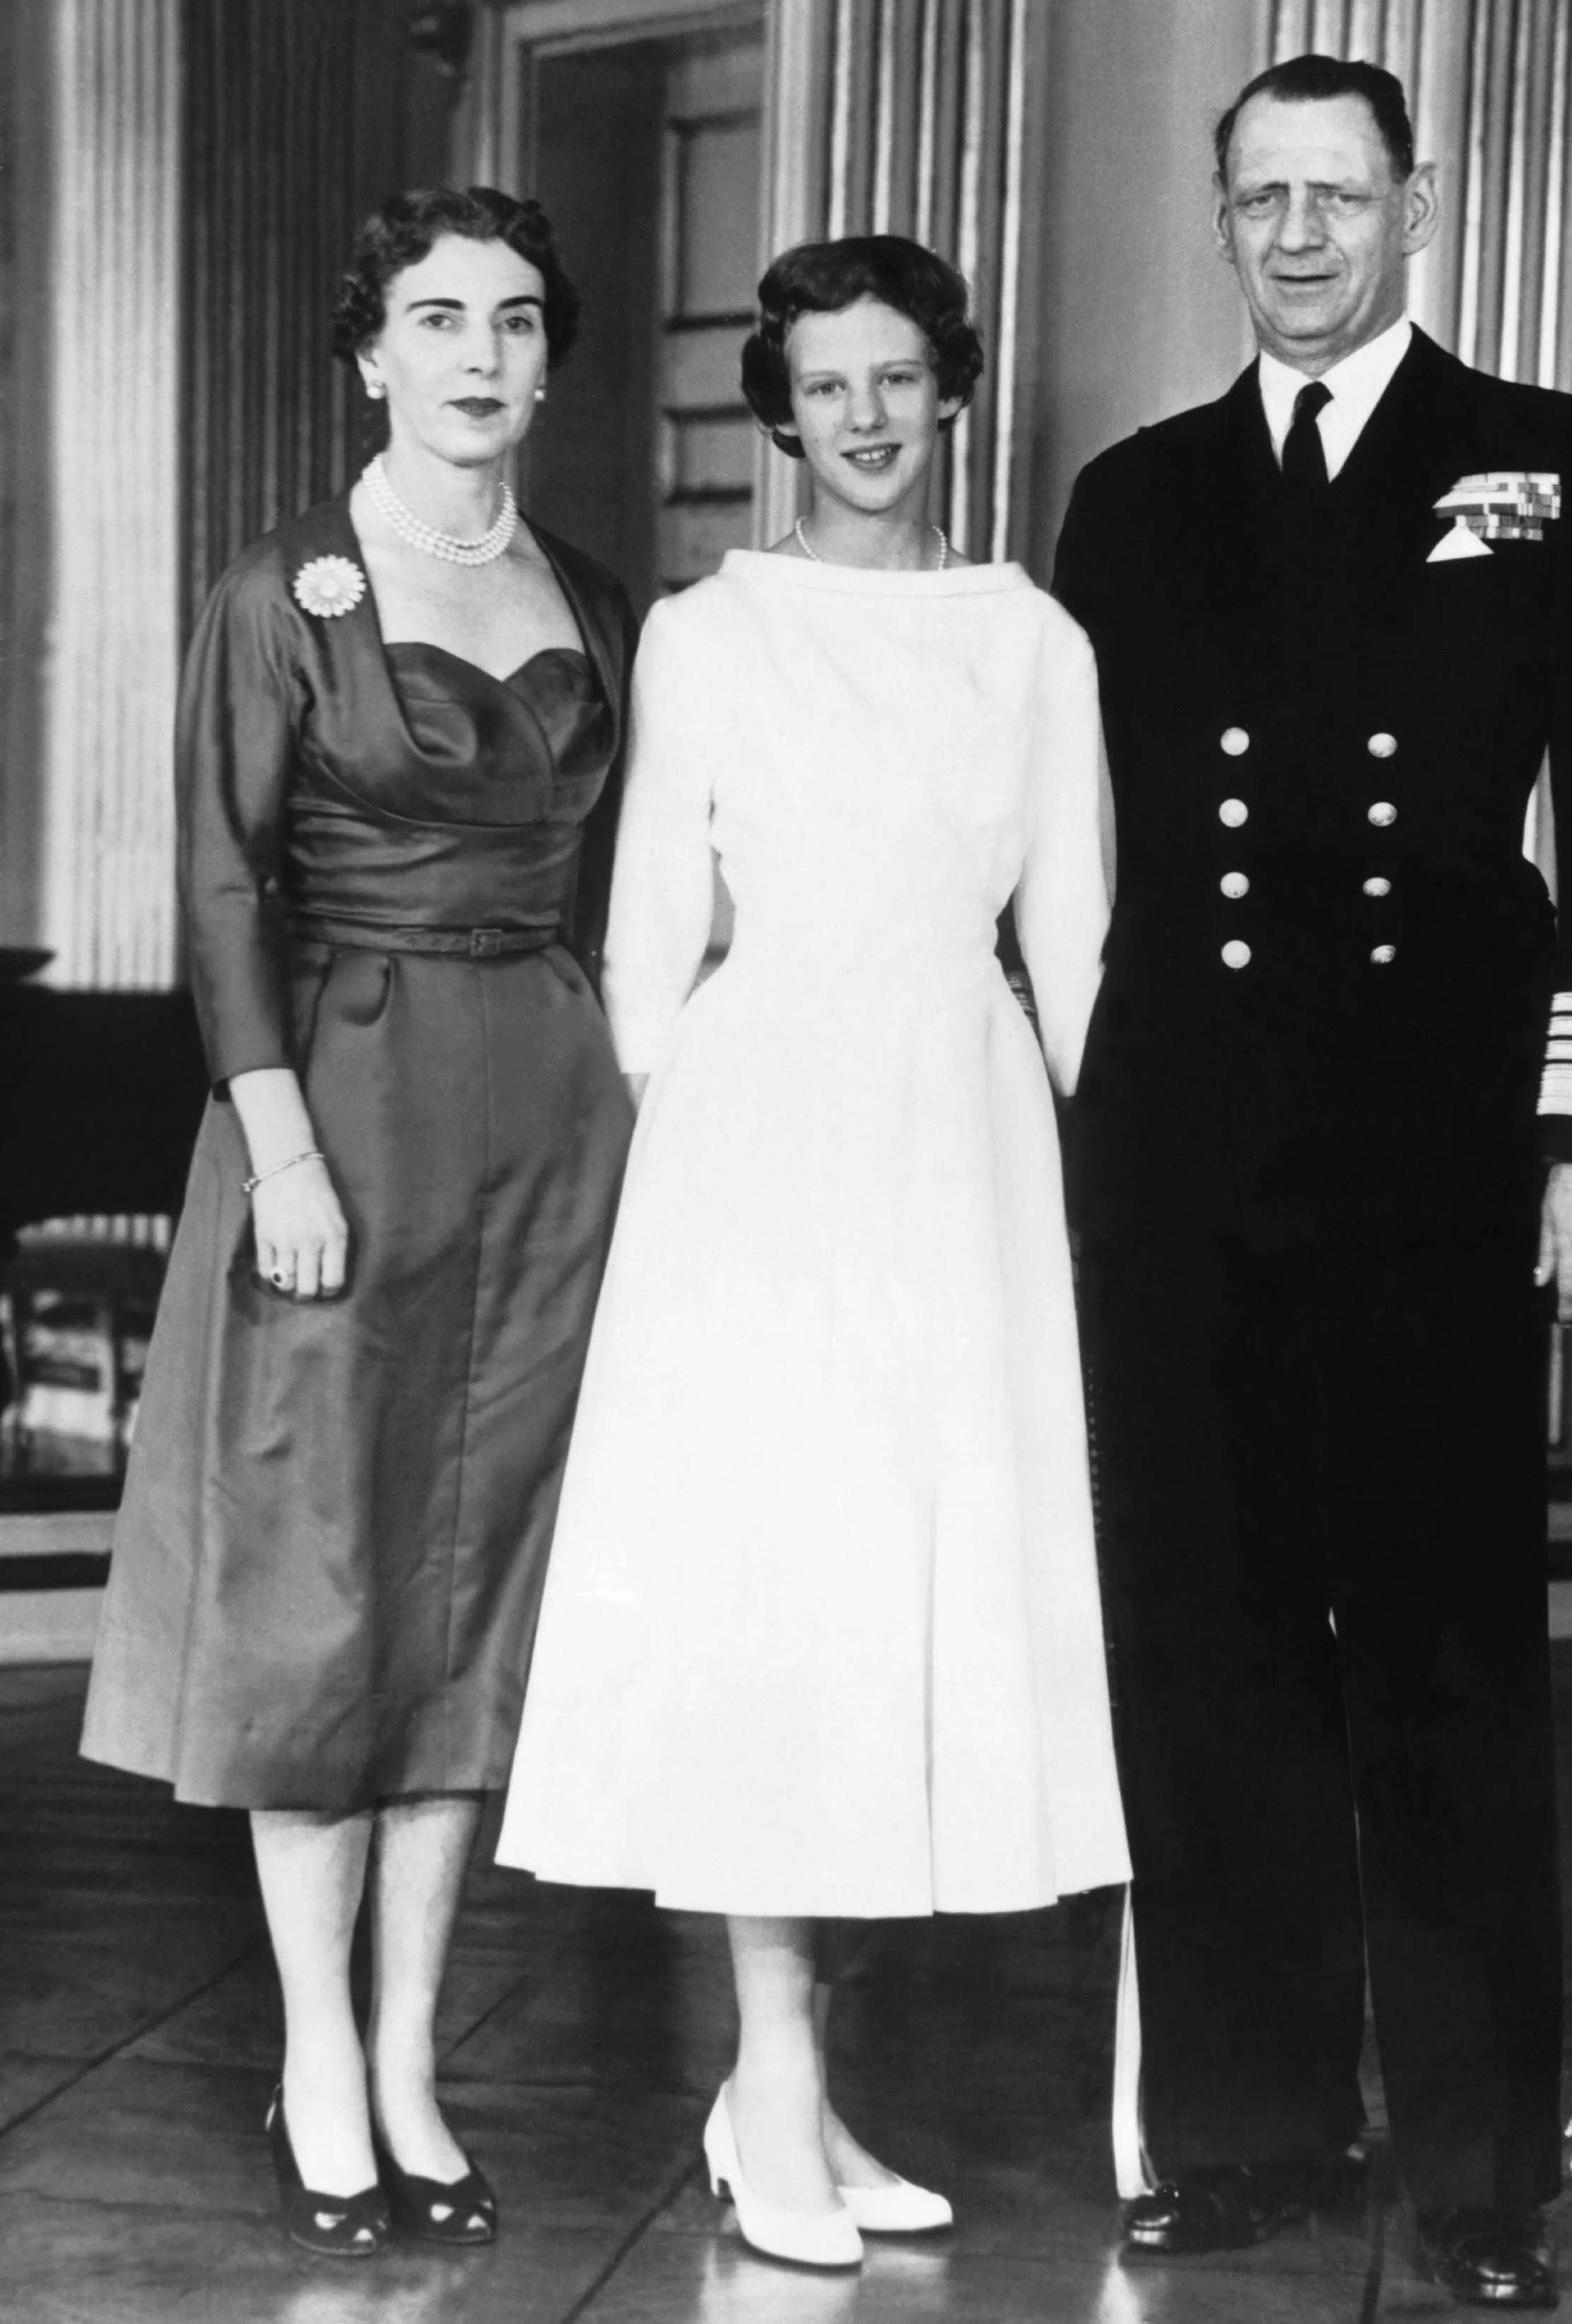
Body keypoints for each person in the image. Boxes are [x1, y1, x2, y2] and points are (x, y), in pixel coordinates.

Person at [1052, 54, 1572, 2309]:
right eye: (1262, 198)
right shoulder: (1131, 498)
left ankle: (1474, 2172)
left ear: (1417, 204)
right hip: (1176, 1155)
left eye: (1341, 192)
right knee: (1204, 1646)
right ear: (1218, 218)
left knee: (1439, 1664)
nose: (1301, 234)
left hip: (1436, 1153)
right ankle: (1237, 2128)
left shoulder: (1549, 462)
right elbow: (1074, 853)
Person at [497, 234, 1130, 2270]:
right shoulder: (711, 630)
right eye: (824, 385)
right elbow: (642, 949)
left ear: (950, 391)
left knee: (905, 1622)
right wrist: (716, 1166)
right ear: (777, 414)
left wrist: (1077, 1200)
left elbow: (1080, 949)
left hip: (965, 1157)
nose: (863, 415)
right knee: (778, 1609)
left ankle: (794, 2075)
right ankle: (769, 2069)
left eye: (897, 378)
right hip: (762, 1163)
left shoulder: (1033, 638)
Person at [81, 187, 635, 2258]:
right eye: (438, 318)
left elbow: (632, 889)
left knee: (473, 1591)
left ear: (547, 357)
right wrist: (283, 1149)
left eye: (514, 321)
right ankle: (315, 2048)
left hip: (554, 1125)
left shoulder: (598, 598)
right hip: (336, 1110)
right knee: (325, 1587)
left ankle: (413, 2053)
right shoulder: (283, 596)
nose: (483, 355)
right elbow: (223, 892)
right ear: (370, 353)